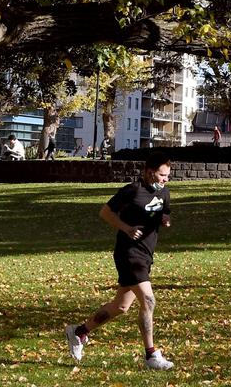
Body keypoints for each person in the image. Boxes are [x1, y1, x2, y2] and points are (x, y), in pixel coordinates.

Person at [66, 152, 175, 371]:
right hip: (128, 253)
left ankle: (78, 332)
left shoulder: (164, 193)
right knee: (149, 300)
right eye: (162, 175)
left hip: (146, 254)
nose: (165, 179)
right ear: (149, 172)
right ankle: (151, 355)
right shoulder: (132, 191)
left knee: (121, 307)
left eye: (167, 176)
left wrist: (165, 220)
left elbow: (165, 215)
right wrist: (126, 228)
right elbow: (105, 212)